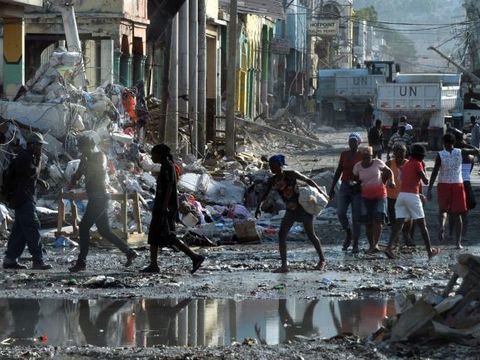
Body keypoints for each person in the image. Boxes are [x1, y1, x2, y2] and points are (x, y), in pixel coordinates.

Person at [69, 136, 138, 272]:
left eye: (83, 147)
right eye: (80, 148)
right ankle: (129, 252)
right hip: (94, 197)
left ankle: (81, 262)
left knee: (83, 227)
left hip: (99, 197)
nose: (82, 151)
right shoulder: (85, 159)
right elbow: (77, 177)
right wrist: (74, 177)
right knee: (104, 231)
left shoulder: (99, 156)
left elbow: (99, 169)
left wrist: (85, 163)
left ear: (90, 146)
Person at [255, 155, 327, 273]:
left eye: (273, 166)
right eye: (270, 166)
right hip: (290, 210)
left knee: (311, 234)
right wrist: (258, 207)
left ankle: (322, 260)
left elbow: (308, 180)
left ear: (280, 166)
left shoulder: (291, 174)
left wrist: (321, 193)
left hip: (303, 207)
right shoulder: (272, 180)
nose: (271, 168)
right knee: (282, 234)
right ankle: (284, 265)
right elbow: (264, 193)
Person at [141, 144, 205, 273]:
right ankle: (155, 264)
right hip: (163, 206)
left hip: (165, 207)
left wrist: (164, 206)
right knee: (159, 235)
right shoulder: (166, 165)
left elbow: (169, 187)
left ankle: (194, 257)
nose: (152, 157)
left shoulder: (167, 166)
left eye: (153, 154)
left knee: (163, 235)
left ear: (160, 154)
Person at [2, 132, 52, 270]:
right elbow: (30, 173)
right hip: (23, 199)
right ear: (32, 145)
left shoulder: (28, 157)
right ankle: (38, 260)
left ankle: (10, 259)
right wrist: (39, 161)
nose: (41, 149)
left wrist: (40, 181)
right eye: (40, 146)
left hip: (23, 198)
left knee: (20, 230)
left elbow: (28, 176)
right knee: (32, 226)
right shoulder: (25, 158)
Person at [384, 144, 439, 259]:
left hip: (401, 196)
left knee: (398, 224)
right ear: (421, 156)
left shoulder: (407, 164)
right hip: (412, 196)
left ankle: (389, 248)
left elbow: (403, 179)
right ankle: (430, 251)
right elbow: (425, 180)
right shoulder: (418, 163)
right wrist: (424, 170)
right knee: (422, 225)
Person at [427, 133, 479, 249]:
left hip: (444, 183)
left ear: (443, 142)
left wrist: (430, 188)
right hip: (457, 183)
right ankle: (458, 242)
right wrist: (464, 143)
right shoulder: (461, 151)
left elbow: (435, 171)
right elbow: (476, 150)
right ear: (454, 142)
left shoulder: (440, 155)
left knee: (443, 210)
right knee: (458, 214)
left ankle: (442, 226)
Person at [352, 146, 394, 254]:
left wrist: (391, 181)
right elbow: (354, 179)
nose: (366, 159)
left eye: (368, 157)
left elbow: (389, 171)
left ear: (372, 156)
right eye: (364, 157)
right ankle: (371, 245)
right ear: (362, 156)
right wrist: (355, 185)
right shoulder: (357, 167)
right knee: (368, 223)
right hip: (365, 196)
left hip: (380, 195)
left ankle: (376, 244)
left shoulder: (377, 163)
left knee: (378, 219)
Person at [329, 133, 363, 253]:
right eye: (350, 141)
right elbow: (339, 170)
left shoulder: (362, 155)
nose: (351, 144)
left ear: (358, 143)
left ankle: (355, 243)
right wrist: (332, 187)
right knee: (340, 212)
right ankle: (348, 232)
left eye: (354, 141)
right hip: (345, 186)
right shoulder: (344, 154)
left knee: (356, 216)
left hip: (357, 188)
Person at [385, 144, 414, 246]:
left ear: (405, 154)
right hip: (391, 196)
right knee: (393, 220)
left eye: (402, 154)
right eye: (397, 154)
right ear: (394, 154)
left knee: (408, 218)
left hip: (406, 195)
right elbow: (382, 178)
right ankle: (396, 240)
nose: (400, 157)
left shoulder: (409, 164)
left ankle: (406, 236)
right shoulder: (389, 163)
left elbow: (415, 180)